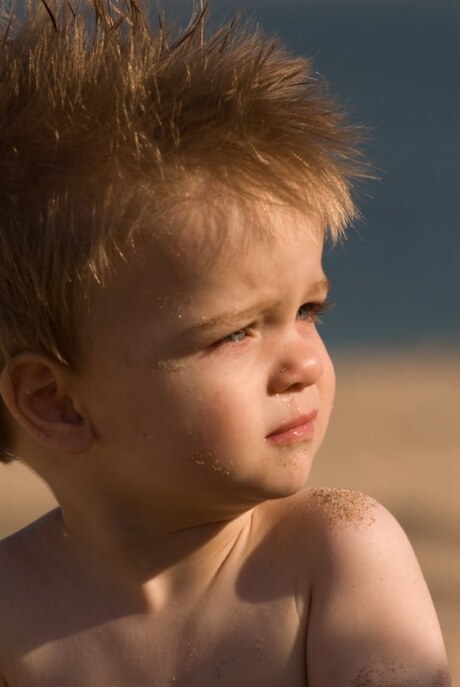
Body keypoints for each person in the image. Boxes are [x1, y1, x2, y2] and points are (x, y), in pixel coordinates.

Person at [0, 2, 451, 685]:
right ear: (55, 401)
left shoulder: (335, 555)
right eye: (236, 331)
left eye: (308, 309)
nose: (303, 362)